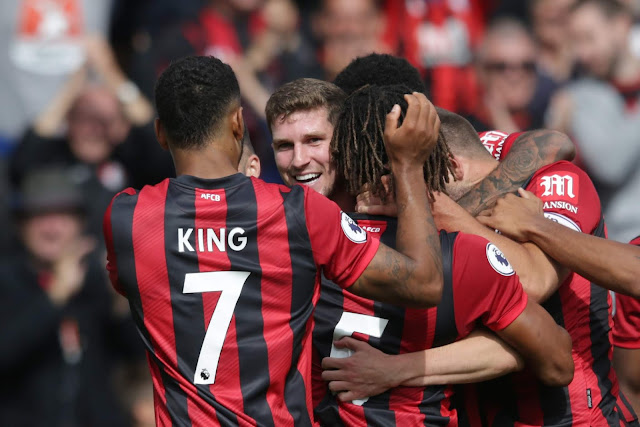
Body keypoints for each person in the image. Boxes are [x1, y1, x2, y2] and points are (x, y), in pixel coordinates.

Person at [103, 55, 446, 425]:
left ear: (159, 132)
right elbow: (423, 284)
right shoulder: (301, 213)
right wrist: (408, 165)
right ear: (238, 123)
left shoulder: (127, 220)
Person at [267, 80, 574, 425]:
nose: (299, 159)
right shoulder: (463, 254)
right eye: (284, 145)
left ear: (343, 150)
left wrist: (396, 369)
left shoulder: (284, 247)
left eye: (314, 141)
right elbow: (558, 360)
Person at [345, 107, 637, 426]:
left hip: (572, 416)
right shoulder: (456, 151)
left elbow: (535, 280)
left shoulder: (553, 180)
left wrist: (437, 211)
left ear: (451, 170)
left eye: (408, 177)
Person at [0, 168, 132, 427]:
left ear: (81, 223)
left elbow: (134, 355)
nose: (51, 228)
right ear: (20, 224)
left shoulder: (97, 281)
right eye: (38, 215)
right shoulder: (5, 281)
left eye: (63, 215)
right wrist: (55, 296)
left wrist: (122, 303)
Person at [548, 0, 640, 243]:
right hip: (619, 245)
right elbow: (612, 164)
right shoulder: (574, 98)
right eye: (575, 42)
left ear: (621, 27)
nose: (582, 53)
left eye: (589, 38)